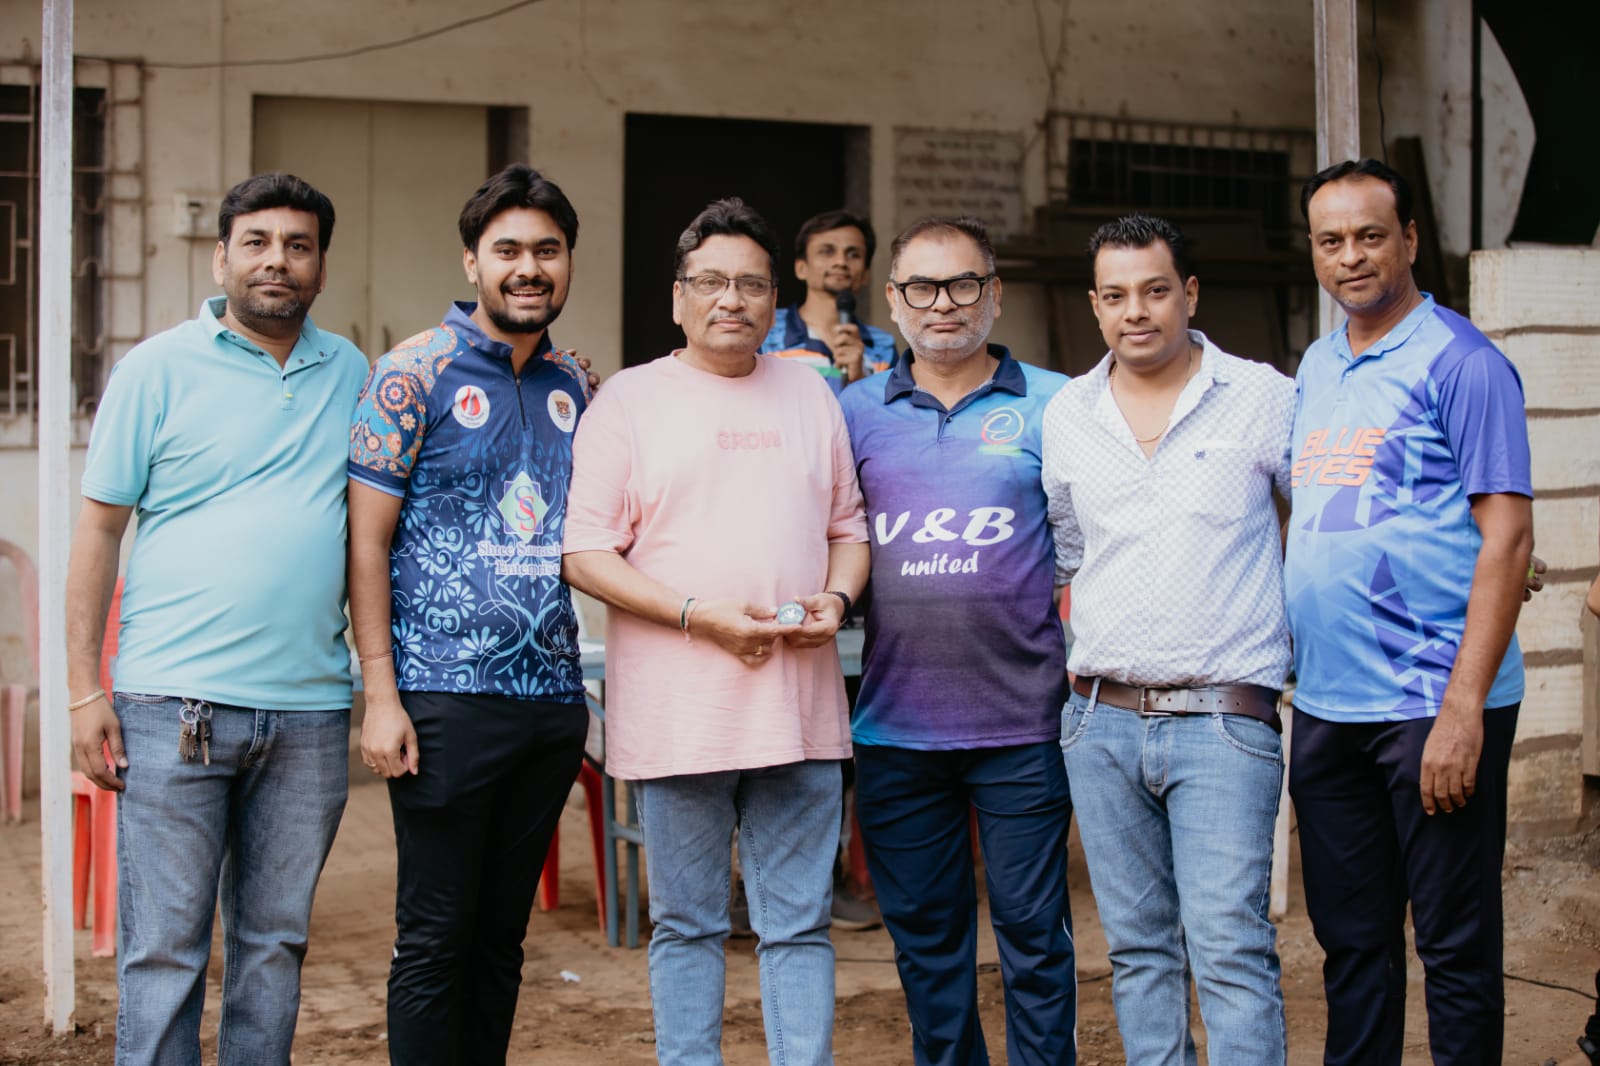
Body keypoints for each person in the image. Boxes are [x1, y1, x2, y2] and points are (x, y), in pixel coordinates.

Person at [63, 173, 366, 1065]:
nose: (278, 260)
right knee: (165, 951)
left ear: (321, 267)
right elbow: (99, 531)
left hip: (310, 714)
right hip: (172, 709)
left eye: (299, 246)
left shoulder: (352, 372)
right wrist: (83, 691)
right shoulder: (154, 370)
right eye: (258, 242)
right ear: (220, 257)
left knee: (274, 948)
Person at [562, 197, 869, 1065]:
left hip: (799, 711)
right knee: (689, 923)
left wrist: (837, 600)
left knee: (799, 923)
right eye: (710, 282)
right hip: (680, 716)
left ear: (776, 298)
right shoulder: (628, 402)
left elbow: (848, 528)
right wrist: (698, 616)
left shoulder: (810, 394)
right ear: (678, 298)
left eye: (750, 283)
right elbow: (584, 553)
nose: (730, 299)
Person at [1286, 158, 1534, 1066]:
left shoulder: (1464, 363)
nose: (1350, 256)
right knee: (1352, 943)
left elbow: (1508, 537)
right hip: (1328, 705)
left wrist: (1464, 710)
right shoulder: (1317, 365)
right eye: (1331, 240)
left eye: (1370, 235)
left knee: (1453, 945)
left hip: (1433, 702)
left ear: (1411, 240)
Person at [346, 164, 593, 1066]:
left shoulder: (579, 385)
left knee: (501, 941)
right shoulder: (411, 375)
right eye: (508, 250)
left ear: (567, 262)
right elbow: (365, 544)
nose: (529, 268)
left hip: (551, 704)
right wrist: (381, 696)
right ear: (473, 261)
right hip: (444, 700)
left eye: (547, 251)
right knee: (435, 939)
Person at [1042, 214, 1292, 1063]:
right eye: (1115, 296)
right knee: (1139, 951)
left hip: (1223, 720)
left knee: (1229, 948)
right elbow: (1067, 552)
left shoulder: (1262, 397)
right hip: (1100, 721)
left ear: (1189, 292)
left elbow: (1325, 523)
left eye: (1154, 291)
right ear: (1095, 305)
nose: (1135, 312)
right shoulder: (1068, 414)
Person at [838, 215, 1077, 1066]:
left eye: (963, 283)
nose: (943, 303)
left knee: (1035, 938)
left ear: (995, 293)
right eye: (921, 287)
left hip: (1025, 727)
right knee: (928, 945)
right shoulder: (851, 413)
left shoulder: (1059, 403)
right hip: (896, 727)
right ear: (892, 300)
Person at [760, 208, 897, 389]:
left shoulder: (883, 347)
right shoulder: (765, 330)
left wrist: (860, 381)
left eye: (853, 254)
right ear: (801, 268)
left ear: (866, 274)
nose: (841, 262)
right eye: (827, 251)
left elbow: (892, 407)